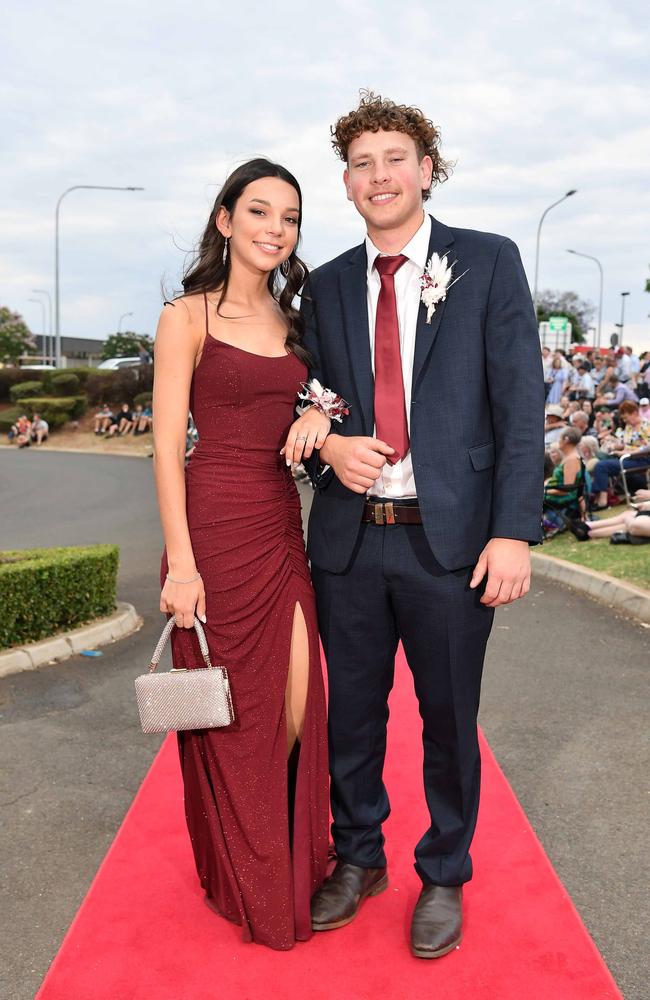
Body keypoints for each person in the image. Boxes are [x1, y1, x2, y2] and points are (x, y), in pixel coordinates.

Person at [288, 92, 544, 959]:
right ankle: (359, 858)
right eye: (361, 163)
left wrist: (513, 531)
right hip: (350, 544)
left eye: (394, 157)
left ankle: (444, 870)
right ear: (348, 185)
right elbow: (302, 408)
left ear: (427, 169)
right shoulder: (320, 285)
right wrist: (329, 450)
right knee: (351, 716)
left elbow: (519, 405)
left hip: (454, 543)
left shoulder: (489, 262)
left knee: (447, 716)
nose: (379, 175)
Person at [152, 158, 330, 951]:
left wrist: (323, 418)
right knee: (229, 718)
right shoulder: (185, 317)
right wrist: (181, 564)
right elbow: (163, 452)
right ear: (225, 220)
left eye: (288, 217)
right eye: (259, 211)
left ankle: (281, 858)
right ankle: (250, 880)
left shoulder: (302, 322)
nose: (274, 228)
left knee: (295, 707)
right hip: (210, 535)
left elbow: (333, 394)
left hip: (278, 528)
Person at [591, 400, 650, 508]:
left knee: (601, 466)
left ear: (635, 413)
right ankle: (599, 496)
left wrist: (626, 452)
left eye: (626, 417)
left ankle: (602, 501)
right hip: (627, 458)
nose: (624, 420)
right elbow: (624, 443)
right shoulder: (628, 427)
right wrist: (614, 445)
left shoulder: (646, 425)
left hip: (640, 459)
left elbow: (647, 447)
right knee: (600, 459)